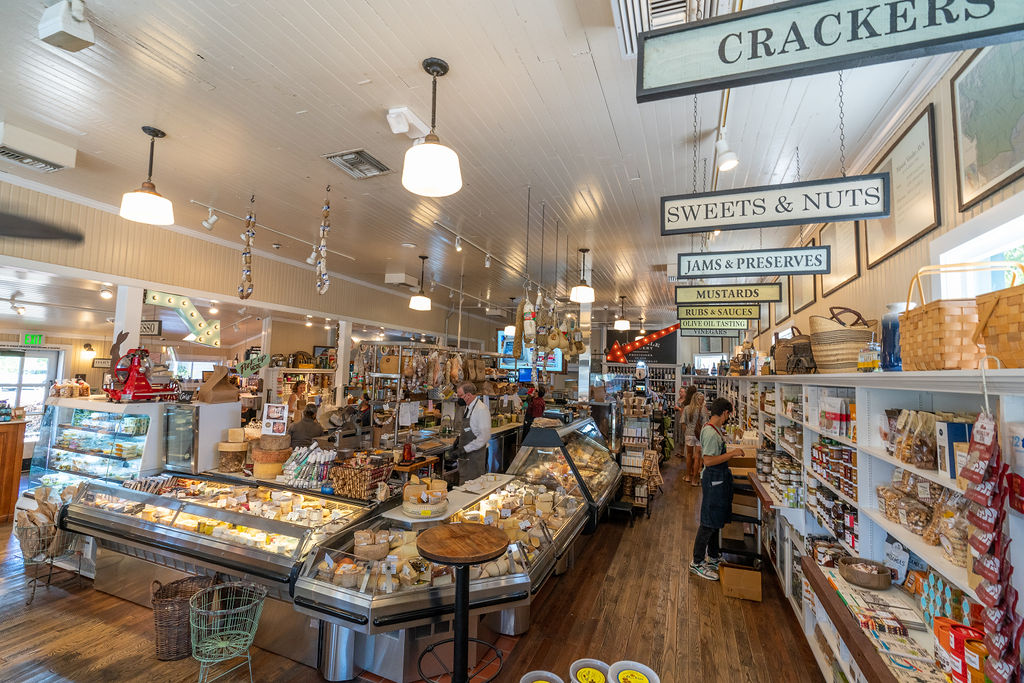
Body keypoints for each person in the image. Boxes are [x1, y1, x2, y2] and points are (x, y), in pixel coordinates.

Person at [690, 397, 745, 582]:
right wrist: (731, 454)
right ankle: (697, 562)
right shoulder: (712, 433)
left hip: (717, 480)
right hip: (713, 480)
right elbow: (708, 460)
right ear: (724, 413)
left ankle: (713, 557)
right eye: (728, 414)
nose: (728, 418)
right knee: (707, 522)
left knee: (714, 522)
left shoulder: (712, 429)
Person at [453, 381, 491, 484]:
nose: (458, 398)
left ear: (468, 395)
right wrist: (459, 439)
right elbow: (469, 429)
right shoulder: (468, 407)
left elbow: (484, 437)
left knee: (474, 487)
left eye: (460, 395)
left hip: (475, 457)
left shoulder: (481, 409)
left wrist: (465, 449)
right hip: (466, 457)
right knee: (464, 485)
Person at [683, 392, 708, 486]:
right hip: (699, 435)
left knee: (689, 455)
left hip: (689, 434)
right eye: (702, 399)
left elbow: (683, 422)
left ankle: (687, 476)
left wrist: (686, 432)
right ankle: (694, 480)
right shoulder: (702, 409)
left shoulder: (686, 408)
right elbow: (705, 423)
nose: (703, 401)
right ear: (699, 400)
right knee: (697, 456)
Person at [674, 386, 695, 459]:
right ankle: (680, 451)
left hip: (681, 418)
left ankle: (683, 452)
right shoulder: (679, 399)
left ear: (685, 393)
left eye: (682, 392)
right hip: (677, 417)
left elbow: (683, 411)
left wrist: (678, 408)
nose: (680, 393)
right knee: (678, 432)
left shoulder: (686, 401)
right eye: (680, 391)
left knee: (682, 434)